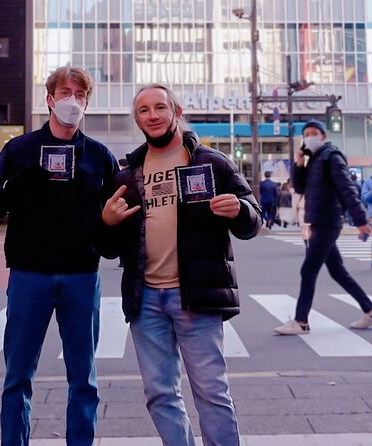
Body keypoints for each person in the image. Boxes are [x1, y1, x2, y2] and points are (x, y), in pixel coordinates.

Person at [99, 85, 262, 446]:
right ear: (137, 119)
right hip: (146, 301)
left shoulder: (211, 162)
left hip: (197, 296)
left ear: (176, 111)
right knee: (160, 395)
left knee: (212, 394)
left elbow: (254, 219)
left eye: (160, 107)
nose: (152, 115)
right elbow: (110, 249)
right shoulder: (128, 174)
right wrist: (107, 223)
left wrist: (240, 211)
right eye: (144, 110)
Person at [0, 66, 119, 446]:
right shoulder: (20, 150)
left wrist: (107, 237)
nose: (72, 101)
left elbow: (117, 216)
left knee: (83, 378)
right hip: (29, 274)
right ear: (49, 99)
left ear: (88, 102)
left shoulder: (100, 157)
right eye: (65, 92)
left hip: (82, 275)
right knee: (18, 376)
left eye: (80, 95)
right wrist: (15, 186)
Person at [275, 119, 372, 335]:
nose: (310, 137)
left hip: (327, 220)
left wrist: (360, 219)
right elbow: (300, 187)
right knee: (337, 271)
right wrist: (299, 163)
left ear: (323, 136)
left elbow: (347, 188)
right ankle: (371, 312)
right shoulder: (314, 159)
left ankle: (301, 321)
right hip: (320, 220)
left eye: (314, 133)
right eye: (306, 134)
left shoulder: (331, 157)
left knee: (308, 270)